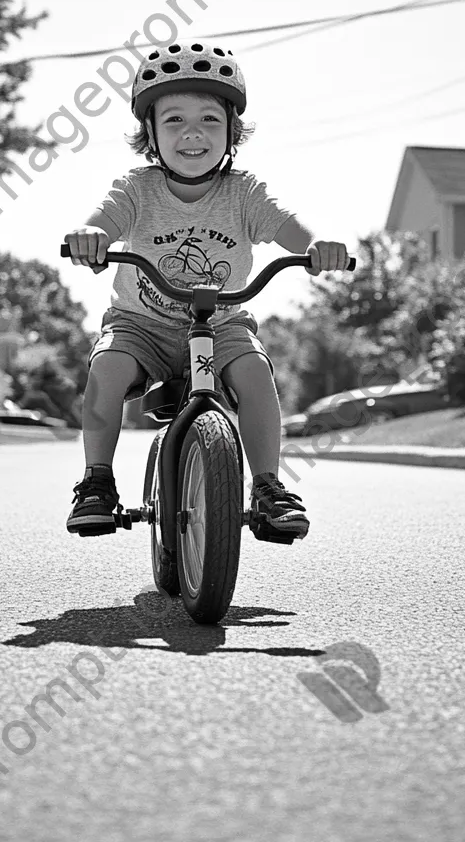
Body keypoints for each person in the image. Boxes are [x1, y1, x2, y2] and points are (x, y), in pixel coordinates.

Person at [63, 41, 350, 540]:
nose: (192, 133)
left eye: (209, 121)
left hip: (221, 324)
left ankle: (267, 486)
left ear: (232, 133)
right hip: (141, 325)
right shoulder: (137, 189)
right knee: (105, 369)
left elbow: (286, 226)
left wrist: (317, 246)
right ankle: (97, 483)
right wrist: (92, 237)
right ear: (149, 133)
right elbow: (104, 220)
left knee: (256, 372)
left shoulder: (244, 193)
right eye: (173, 120)